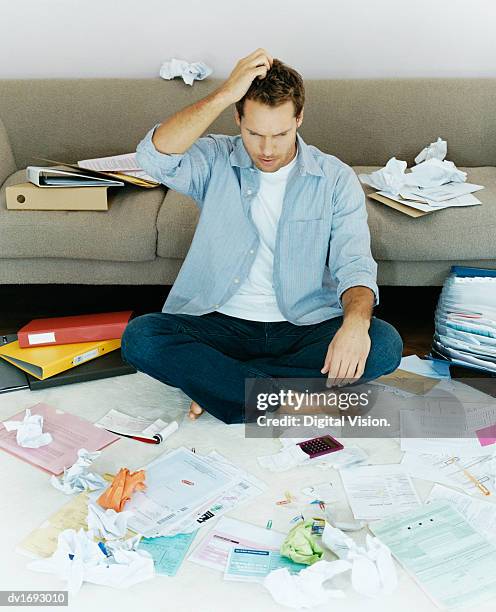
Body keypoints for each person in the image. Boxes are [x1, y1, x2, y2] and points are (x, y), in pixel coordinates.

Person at [121, 49, 403, 424]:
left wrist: (354, 326)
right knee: (141, 337)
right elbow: (153, 158)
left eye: (280, 133)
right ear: (237, 118)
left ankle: (225, 387)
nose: (267, 149)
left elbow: (354, 264)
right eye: (254, 133)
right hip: (219, 321)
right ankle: (282, 394)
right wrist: (223, 94)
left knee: (383, 344)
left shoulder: (334, 178)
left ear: (299, 119)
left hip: (302, 325)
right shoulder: (216, 158)